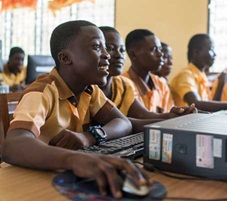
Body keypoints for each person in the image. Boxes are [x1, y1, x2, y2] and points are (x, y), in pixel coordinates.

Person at [2, 20, 149, 199]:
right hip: (27, 180)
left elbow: (122, 122)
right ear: (65, 58)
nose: (107, 55)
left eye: (105, 48)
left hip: (62, 177)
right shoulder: (42, 92)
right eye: (96, 47)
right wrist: (73, 159)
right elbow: (13, 145)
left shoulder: (90, 90)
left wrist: (89, 137)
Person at [98, 26, 196, 133]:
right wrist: (169, 118)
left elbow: (142, 115)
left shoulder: (124, 84)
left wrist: (172, 116)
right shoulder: (89, 88)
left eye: (122, 50)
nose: (119, 55)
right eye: (110, 49)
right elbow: (123, 121)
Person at [169, 34, 227, 112]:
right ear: (197, 52)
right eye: (211, 49)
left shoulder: (201, 75)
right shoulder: (185, 75)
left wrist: (221, 84)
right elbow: (196, 104)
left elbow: (210, 108)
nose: (215, 54)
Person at [122, 29, 174, 113]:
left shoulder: (161, 84)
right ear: (133, 55)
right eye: (154, 49)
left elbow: (169, 117)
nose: (160, 54)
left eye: (160, 49)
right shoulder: (123, 83)